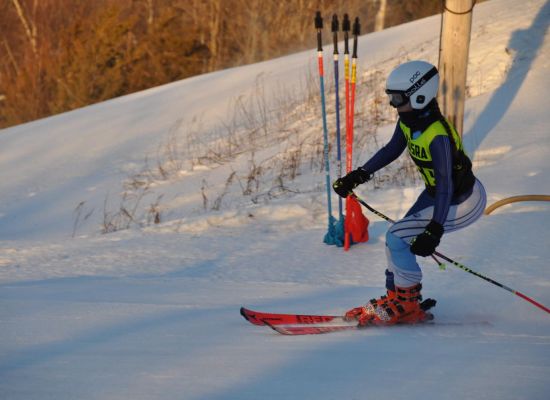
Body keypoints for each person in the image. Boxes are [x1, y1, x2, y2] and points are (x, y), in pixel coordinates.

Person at [333, 60, 487, 326]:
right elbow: (391, 150)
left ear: (419, 95)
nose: (393, 104)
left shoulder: (436, 134)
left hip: (461, 201)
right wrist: (358, 175)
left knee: (396, 237)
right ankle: (398, 298)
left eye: (397, 98)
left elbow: (446, 184)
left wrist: (434, 230)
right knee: (398, 240)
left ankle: (406, 304)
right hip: (437, 195)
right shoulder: (409, 121)